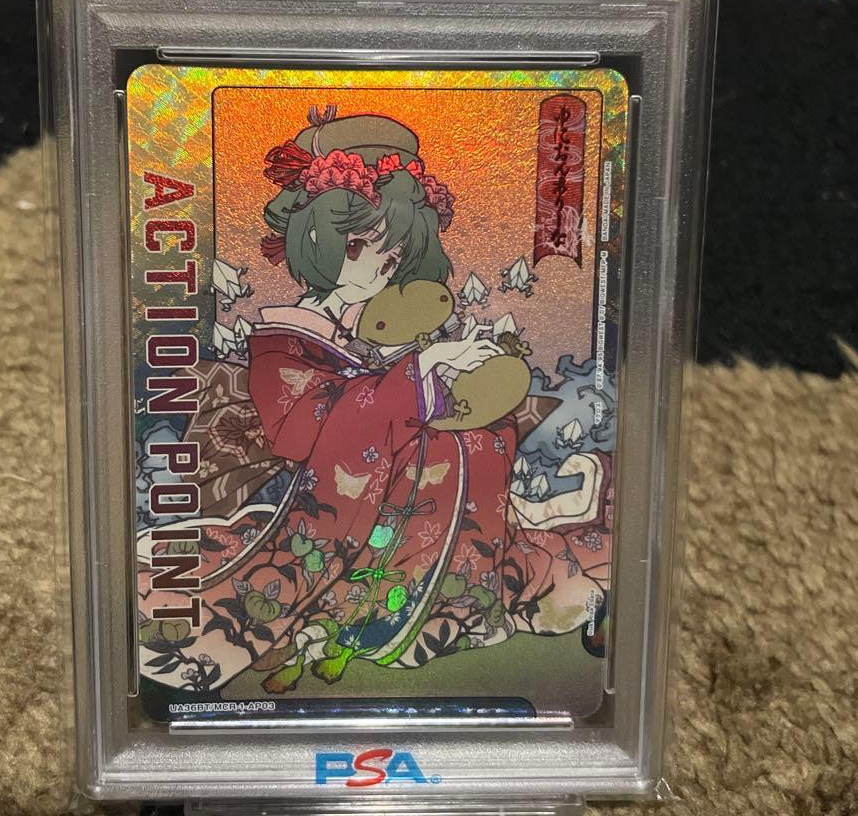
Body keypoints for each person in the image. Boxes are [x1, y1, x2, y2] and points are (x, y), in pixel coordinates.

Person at [138, 109, 609, 695]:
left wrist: (447, 377)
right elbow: (304, 431)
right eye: (361, 245)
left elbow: (399, 402)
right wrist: (421, 371)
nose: (379, 269)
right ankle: (357, 616)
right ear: (316, 238)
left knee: (474, 439)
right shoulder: (282, 339)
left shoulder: (374, 326)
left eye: (392, 258)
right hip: (335, 513)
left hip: (402, 504)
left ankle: (444, 594)